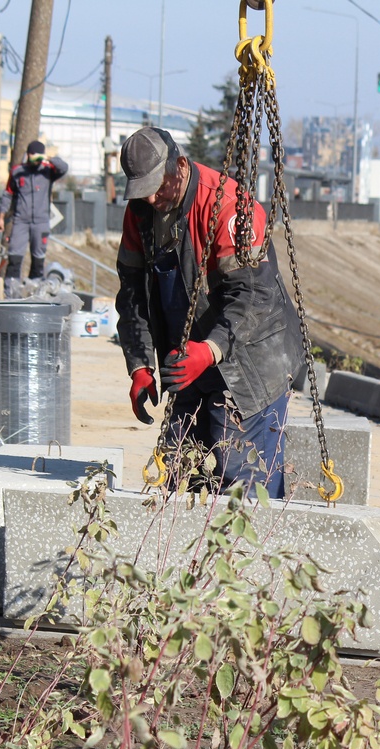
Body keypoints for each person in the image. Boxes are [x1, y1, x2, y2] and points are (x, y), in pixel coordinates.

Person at [114, 127, 299, 498]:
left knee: (240, 483)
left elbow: (252, 295)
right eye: (142, 190)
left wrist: (210, 349)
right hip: (191, 366)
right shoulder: (141, 213)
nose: (151, 198)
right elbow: (132, 294)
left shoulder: (229, 206)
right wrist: (139, 365)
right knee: (180, 475)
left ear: (180, 166)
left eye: (158, 186)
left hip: (251, 366)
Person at [0, 140, 68, 297]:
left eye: (37, 155)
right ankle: (10, 292)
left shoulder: (48, 170)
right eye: (32, 154)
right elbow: (7, 195)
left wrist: (48, 157)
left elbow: (64, 168)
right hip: (21, 221)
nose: (34, 158)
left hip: (41, 222)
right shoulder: (17, 171)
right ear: (27, 155)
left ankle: (35, 292)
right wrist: (1, 217)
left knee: (38, 259)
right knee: (14, 257)